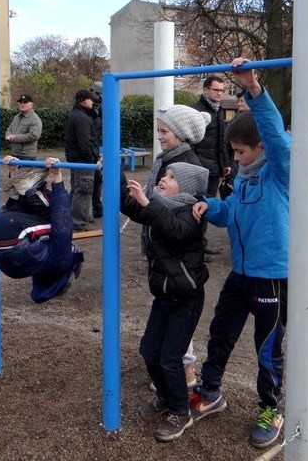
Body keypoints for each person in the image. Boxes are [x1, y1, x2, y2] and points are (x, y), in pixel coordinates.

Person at [189, 58, 290, 449]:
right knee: (221, 332)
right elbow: (229, 214)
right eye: (231, 152)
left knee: (266, 346)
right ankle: (211, 391)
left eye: (240, 152)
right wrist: (206, 205)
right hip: (242, 273)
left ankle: (271, 408)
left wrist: (253, 89)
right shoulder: (245, 180)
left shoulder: (280, 172)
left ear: (260, 147)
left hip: (272, 275)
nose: (235, 159)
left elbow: (278, 139)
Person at [122, 162, 210, 442]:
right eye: (165, 174)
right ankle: (165, 395)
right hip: (164, 295)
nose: (164, 178)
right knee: (149, 351)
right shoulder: (157, 206)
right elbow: (129, 205)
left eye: (172, 178)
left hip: (186, 298)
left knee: (170, 358)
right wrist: (111, 170)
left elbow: (174, 230)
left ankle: (180, 411)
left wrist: (148, 202)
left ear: (186, 188)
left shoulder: (192, 213)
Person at [145, 104, 211, 389]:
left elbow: (187, 218)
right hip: (163, 250)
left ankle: (184, 372)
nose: (159, 136)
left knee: (179, 321)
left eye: (164, 131)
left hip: (178, 256)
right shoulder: (167, 158)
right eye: (158, 130)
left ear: (181, 134)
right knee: (168, 313)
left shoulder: (186, 165)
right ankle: (172, 368)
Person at [0, 157, 85, 302]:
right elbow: (20, 214)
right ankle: (21, 186)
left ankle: (27, 191)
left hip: (11, 236)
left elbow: (62, 224)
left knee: (57, 224)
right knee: (35, 217)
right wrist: (13, 171)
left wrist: (57, 178)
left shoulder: (63, 261)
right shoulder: (40, 263)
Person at [192, 76, 232, 254]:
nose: (220, 93)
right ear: (206, 90)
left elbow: (221, 141)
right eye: (216, 90)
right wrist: (195, 164)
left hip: (215, 167)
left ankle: (202, 242)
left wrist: (226, 163)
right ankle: (195, 245)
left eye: (222, 90)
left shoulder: (219, 110)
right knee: (196, 206)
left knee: (207, 205)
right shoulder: (195, 111)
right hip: (200, 167)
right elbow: (191, 141)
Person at [63, 90, 99, 231]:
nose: (92, 102)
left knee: (77, 189)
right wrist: (90, 158)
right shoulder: (82, 117)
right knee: (83, 190)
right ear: (84, 100)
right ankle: (78, 223)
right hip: (83, 160)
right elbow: (84, 142)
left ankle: (74, 219)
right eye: (91, 100)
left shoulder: (76, 115)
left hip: (76, 159)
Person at [5, 94, 43, 161]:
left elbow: (34, 135)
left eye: (25, 102)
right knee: (14, 172)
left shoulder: (34, 119)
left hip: (27, 156)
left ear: (31, 104)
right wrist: (8, 136)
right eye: (20, 102)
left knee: (25, 171)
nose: (22, 104)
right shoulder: (16, 117)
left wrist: (15, 138)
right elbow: (9, 129)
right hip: (14, 154)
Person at [89, 82, 104, 220]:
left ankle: (97, 207)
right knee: (91, 179)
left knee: (98, 178)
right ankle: (96, 207)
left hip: (99, 145)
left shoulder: (102, 107)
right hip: (93, 146)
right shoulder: (90, 108)